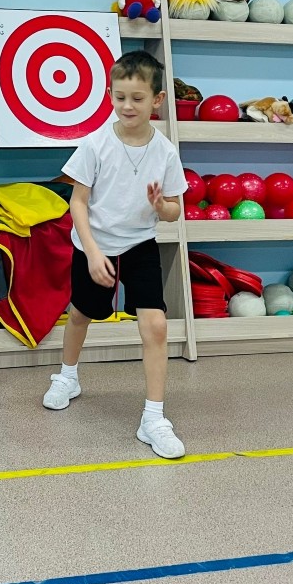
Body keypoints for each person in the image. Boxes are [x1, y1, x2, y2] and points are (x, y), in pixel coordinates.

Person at [42, 50, 187, 459]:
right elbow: (77, 202)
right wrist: (91, 251)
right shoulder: (95, 144)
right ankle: (68, 376)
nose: (127, 106)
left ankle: (153, 418)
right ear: (109, 95)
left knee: (155, 326)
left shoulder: (166, 152)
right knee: (80, 314)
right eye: (119, 96)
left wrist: (161, 206)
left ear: (157, 99)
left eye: (137, 98)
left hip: (140, 244)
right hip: (95, 243)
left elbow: (175, 211)